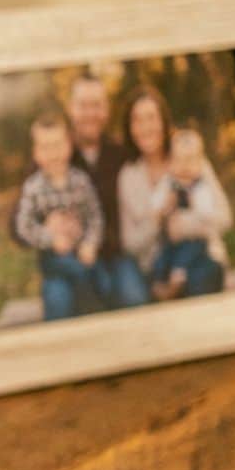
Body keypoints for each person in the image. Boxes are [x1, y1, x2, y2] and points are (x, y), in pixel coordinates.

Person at [117, 86, 228, 299]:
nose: (145, 127)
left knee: (202, 277)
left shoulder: (190, 158)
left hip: (201, 257)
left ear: (163, 121)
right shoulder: (128, 176)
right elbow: (130, 243)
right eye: (137, 120)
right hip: (157, 266)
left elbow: (224, 217)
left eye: (151, 117)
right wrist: (157, 220)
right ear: (130, 128)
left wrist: (186, 225)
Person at [65, 74, 149, 309]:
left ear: (106, 109)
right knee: (75, 304)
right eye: (83, 105)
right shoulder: (57, 155)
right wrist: (51, 225)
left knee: (135, 301)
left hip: (118, 256)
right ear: (71, 108)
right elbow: (17, 222)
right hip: (74, 258)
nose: (90, 113)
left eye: (97, 105)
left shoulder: (121, 153)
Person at [13, 111, 105, 321]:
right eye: (45, 147)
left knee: (99, 287)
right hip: (54, 262)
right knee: (58, 300)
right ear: (36, 153)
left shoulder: (81, 181)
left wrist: (90, 243)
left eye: (57, 145)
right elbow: (23, 226)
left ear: (69, 145)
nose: (53, 153)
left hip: (84, 255)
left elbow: (95, 216)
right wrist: (50, 238)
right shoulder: (33, 187)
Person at [147, 129, 232, 300]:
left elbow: (217, 217)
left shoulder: (201, 185)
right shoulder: (168, 182)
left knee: (194, 250)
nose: (184, 166)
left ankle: (178, 276)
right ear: (171, 162)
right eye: (179, 160)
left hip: (197, 242)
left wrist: (188, 219)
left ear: (200, 163)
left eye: (190, 160)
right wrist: (163, 210)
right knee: (162, 256)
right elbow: (155, 205)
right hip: (169, 243)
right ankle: (161, 281)